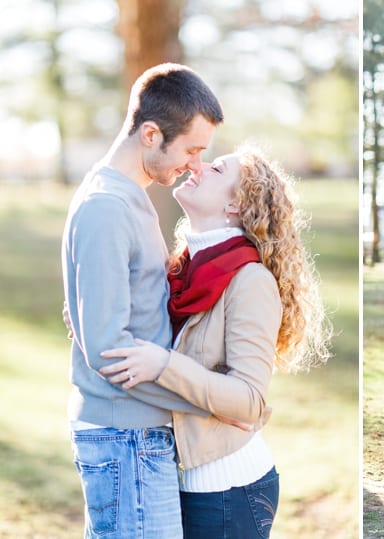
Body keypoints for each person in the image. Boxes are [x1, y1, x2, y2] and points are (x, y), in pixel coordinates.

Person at [97, 145, 332, 538]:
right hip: (185, 483)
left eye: (217, 168)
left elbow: (249, 400)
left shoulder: (250, 281)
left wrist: (164, 366)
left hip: (229, 492)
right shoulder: (182, 269)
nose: (198, 166)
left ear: (236, 204)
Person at [61, 63, 224, 538]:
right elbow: (108, 348)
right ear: (151, 134)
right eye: (192, 149)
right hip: (124, 438)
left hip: (135, 437)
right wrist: (204, 398)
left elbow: (101, 309)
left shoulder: (130, 197)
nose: (196, 164)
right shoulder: (107, 207)